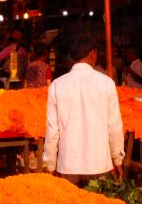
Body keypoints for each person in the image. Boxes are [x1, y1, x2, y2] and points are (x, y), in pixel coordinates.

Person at [43, 34, 124, 187]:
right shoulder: (106, 83)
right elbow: (114, 126)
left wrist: (50, 164)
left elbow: (52, 131)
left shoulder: (56, 85)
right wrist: (117, 158)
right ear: (93, 54)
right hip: (100, 164)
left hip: (68, 165)